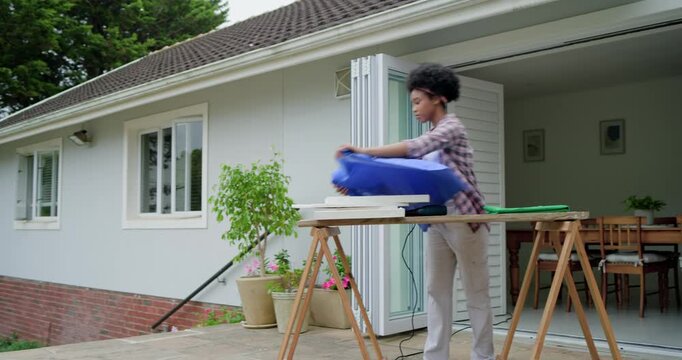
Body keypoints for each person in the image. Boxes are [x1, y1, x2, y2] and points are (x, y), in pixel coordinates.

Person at [335, 63, 494, 360]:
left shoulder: (452, 127)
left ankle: (483, 356)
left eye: (418, 101)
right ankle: (435, 357)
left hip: (465, 220)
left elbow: (415, 148)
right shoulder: (435, 133)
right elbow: (400, 177)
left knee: (476, 293)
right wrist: (355, 181)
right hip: (436, 222)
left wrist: (363, 151)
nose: (414, 109)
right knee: (436, 293)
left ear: (437, 98)